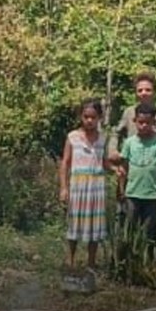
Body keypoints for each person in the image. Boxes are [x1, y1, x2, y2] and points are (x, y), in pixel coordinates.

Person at [109, 102, 156, 253]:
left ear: (154, 123)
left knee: (150, 233)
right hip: (131, 194)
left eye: (147, 123)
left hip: (151, 195)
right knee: (129, 231)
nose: (143, 126)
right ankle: (128, 263)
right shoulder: (129, 143)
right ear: (135, 121)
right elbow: (124, 166)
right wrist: (121, 189)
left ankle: (149, 263)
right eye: (140, 122)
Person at [59, 99, 111, 271]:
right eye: (86, 117)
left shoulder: (103, 139)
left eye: (93, 117)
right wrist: (64, 188)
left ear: (99, 118)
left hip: (96, 187)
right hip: (78, 186)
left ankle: (91, 263)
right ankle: (70, 260)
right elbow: (65, 163)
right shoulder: (72, 137)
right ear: (81, 117)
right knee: (75, 224)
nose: (89, 120)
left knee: (94, 227)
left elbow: (105, 163)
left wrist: (117, 169)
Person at [111, 71, 156, 151]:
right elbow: (116, 133)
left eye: (148, 90)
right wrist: (113, 150)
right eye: (140, 90)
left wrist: (155, 134)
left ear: (155, 92)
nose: (143, 93)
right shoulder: (129, 112)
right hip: (133, 159)